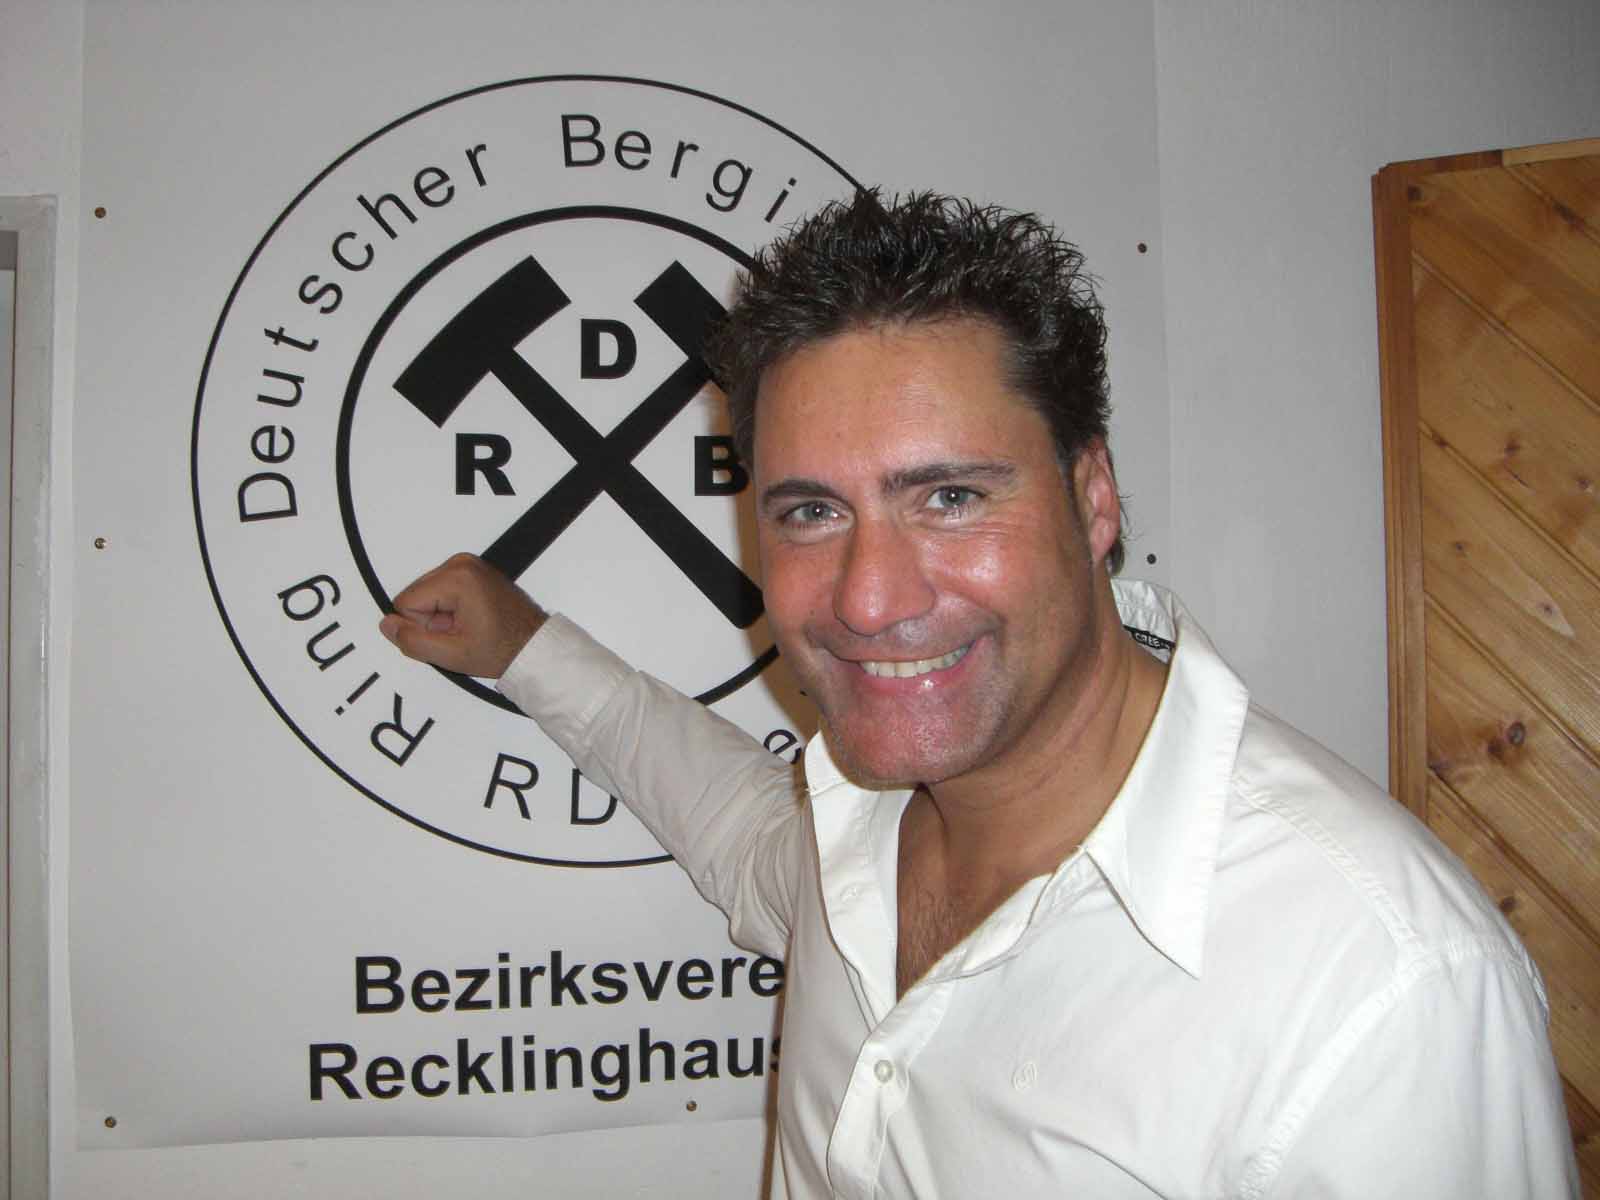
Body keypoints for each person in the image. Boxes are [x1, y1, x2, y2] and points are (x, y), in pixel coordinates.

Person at [379, 191, 1577, 1198]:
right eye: (811, 511)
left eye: (949, 498)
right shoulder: (857, 825)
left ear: (1092, 500)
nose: (868, 599)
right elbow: (728, 818)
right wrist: (525, 648)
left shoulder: (1378, 987)